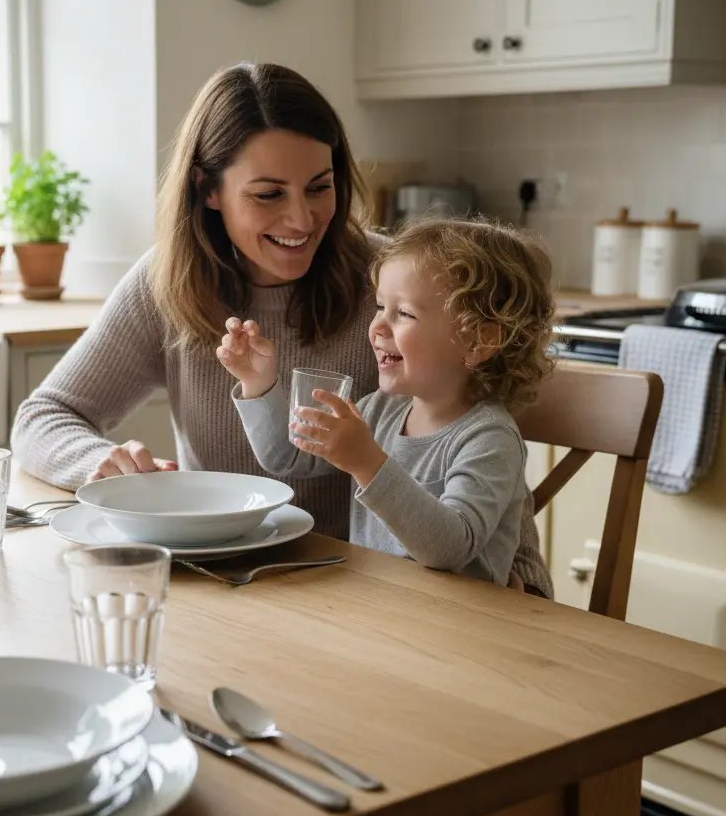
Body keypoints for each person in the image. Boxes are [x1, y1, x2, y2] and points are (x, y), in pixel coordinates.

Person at [11, 62, 551, 591]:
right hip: (235, 582)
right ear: (208, 189)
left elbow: (480, 467)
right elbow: (44, 416)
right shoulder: (166, 285)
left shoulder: (402, 284)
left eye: (320, 186)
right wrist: (101, 464)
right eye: (268, 194)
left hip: (380, 593)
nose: (301, 220)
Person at [218, 217, 555, 592]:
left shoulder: (489, 438)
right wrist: (257, 382)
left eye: (405, 313)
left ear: (479, 340)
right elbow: (287, 457)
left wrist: (366, 462)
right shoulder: (381, 409)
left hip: (459, 630)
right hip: (382, 613)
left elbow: (450, 548)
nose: (378, 326)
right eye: (380, 306)